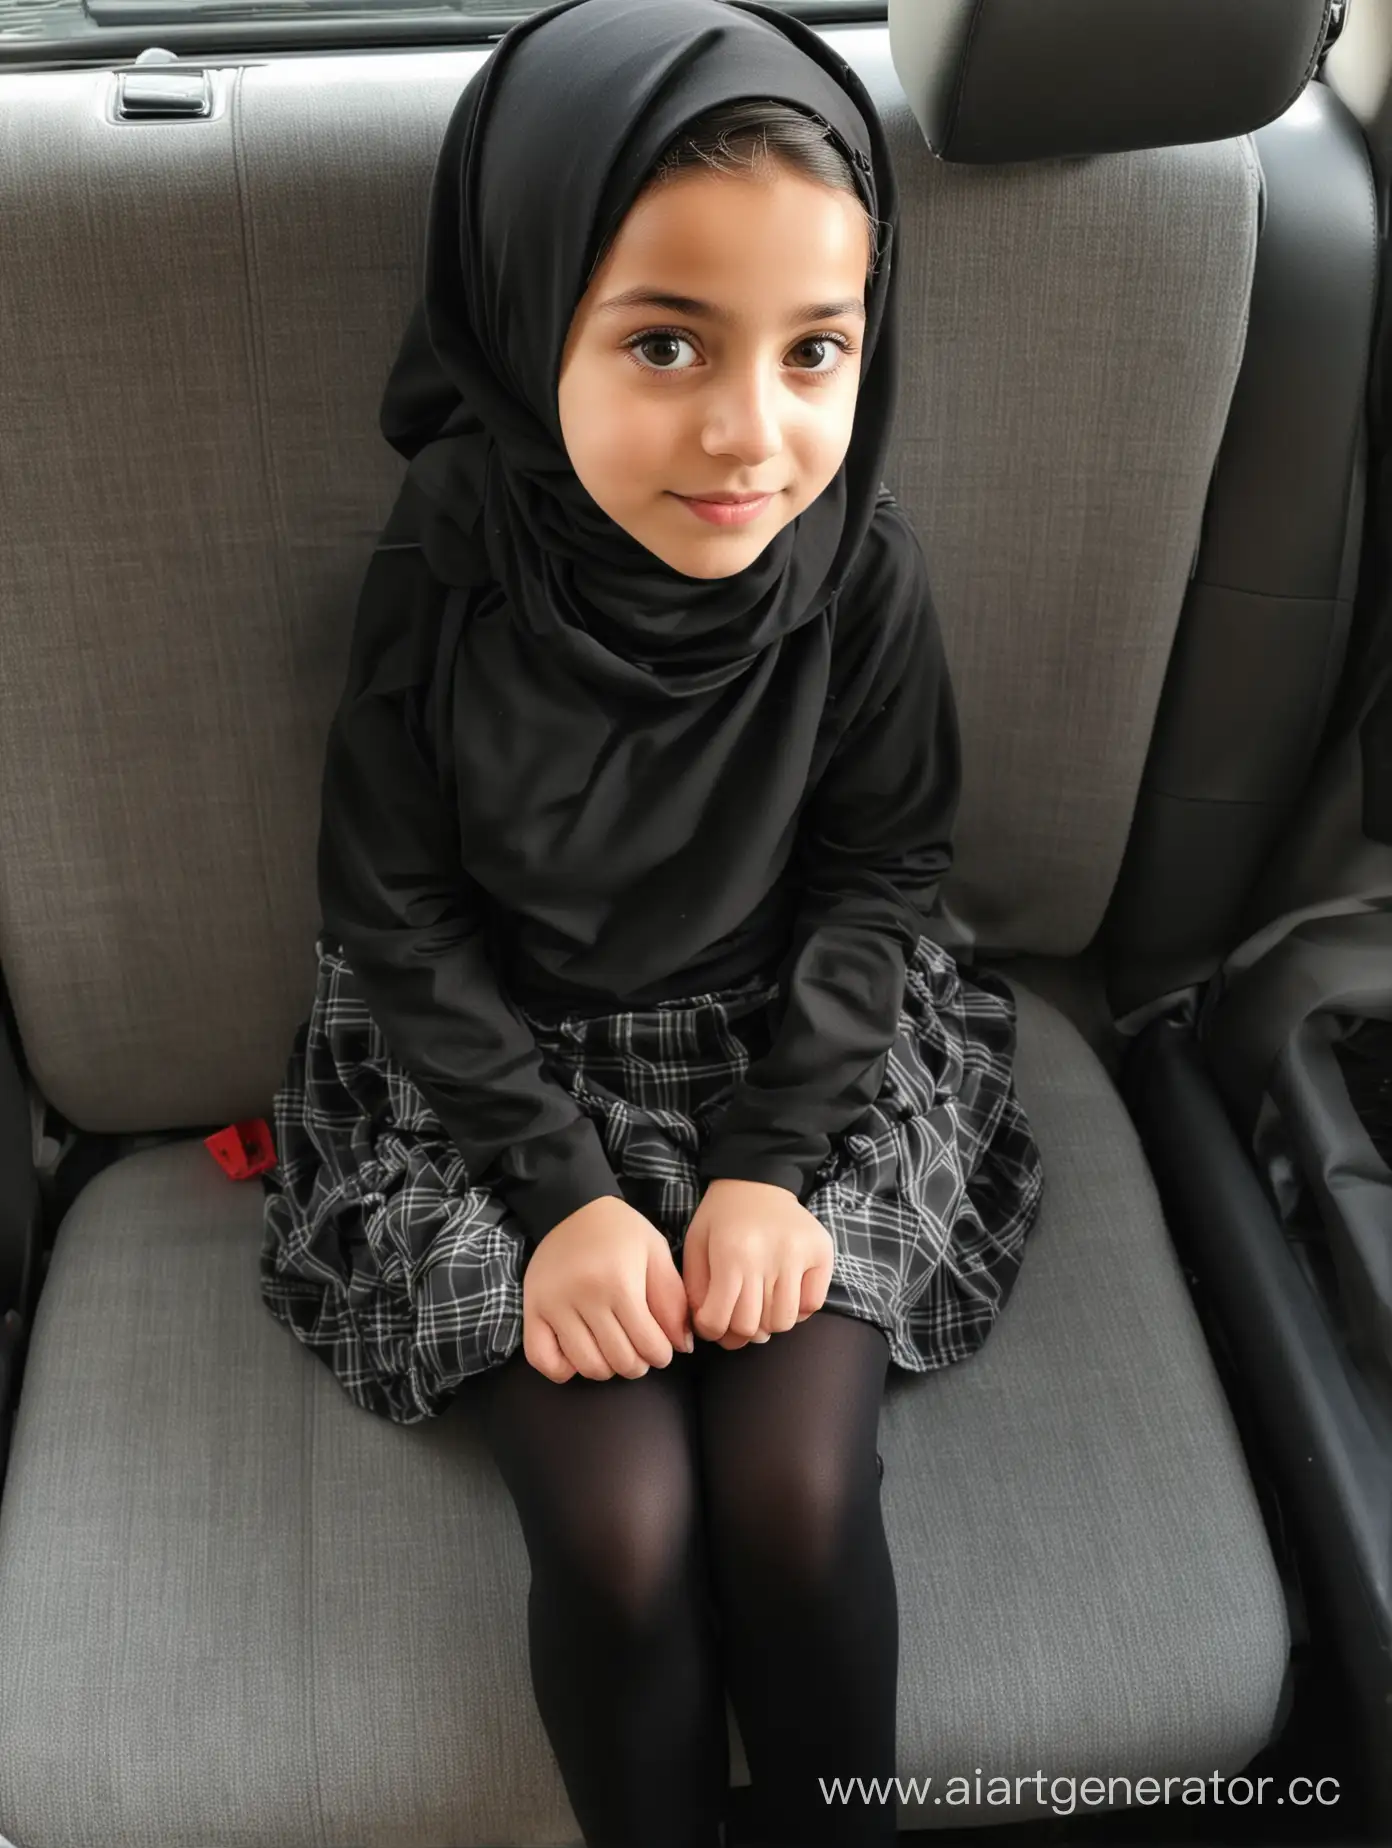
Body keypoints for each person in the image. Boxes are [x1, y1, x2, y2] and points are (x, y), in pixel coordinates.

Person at [259, 1, 1045, 1842]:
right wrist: (562, 1196)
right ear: (537, 325)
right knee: (623, 1530)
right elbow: (392, 901)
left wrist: (776, 1161)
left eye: (818, 351)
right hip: (494, 1066)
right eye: (668, 343)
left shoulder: (859, 568)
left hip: (803, 1037)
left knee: (789, 1492)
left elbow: (884, 873)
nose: (751, 436)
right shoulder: (445, 557)